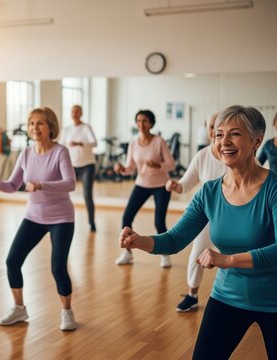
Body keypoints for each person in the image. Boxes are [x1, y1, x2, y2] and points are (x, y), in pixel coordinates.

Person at [119, 105, 277, 359]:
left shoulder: (273, 188)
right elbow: (174, 239)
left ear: (257, 140)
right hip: (227, 297)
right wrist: (142, 241)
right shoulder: (209, 192)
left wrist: (227, 260)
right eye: (218, 134)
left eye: (234, 134)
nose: (223, 141)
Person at [0, 107, 78, 331]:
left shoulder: (60, 152)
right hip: (34, 216)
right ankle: (19, 309)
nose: (34, 128)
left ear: (50, 127)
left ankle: (67, 312)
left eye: (40, 123)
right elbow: (12, 185)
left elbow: (70, 183)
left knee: (58, 268)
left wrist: (41, 184)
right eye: (31, 124)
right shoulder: (26, 153)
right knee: (12, 261)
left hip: (61, 217)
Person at [166, 113, 227, 312]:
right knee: (196, 257)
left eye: (219, 128)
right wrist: (176, 185)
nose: (214, 132)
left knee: (238, 260)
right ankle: (192, 295)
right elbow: (186, 184)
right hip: (207, 219)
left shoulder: (235, 155)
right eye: (211, 127)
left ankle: (248, 302)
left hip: (234, 219)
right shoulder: (202, 156)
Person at [114, 110, 175, 268]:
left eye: (145, 121)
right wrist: (121, 169)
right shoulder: (133, 143)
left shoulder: (159, 141)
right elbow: (130, 168)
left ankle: (165, 253)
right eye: (138, 121)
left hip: (161, 185)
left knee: (159, 222)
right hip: (141, 184)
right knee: (126, 218)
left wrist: (159, 165)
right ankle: (127, 253)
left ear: (151, 123)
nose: (141, 124)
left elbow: (171, 164)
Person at [59, 105, 98, 232]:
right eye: (72, 112)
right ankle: (62, 220)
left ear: (81, 113)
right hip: (71, 165)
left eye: (77, 112)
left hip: (87, 165)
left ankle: (92, 222)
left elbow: (94, 143)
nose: (74, 114)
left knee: (87, 195)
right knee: (63, 194)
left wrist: (80, 143)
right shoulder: (67, 129)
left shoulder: (86, 127)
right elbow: (60, 145)